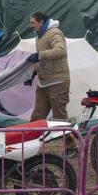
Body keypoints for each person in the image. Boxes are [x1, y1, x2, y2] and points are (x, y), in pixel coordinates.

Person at [26, 11, 77, 153]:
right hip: (44, 83)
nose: (31, 26)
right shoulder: (39, 37)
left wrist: (40, 55)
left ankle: (71, 145)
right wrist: (33, 72)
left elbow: (61, 51)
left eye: (33, 23)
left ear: (41, 22)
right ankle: (30, 148)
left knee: (59, 118)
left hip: (58, 81)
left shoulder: (54, 32)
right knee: (37, 117)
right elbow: (41, 61)